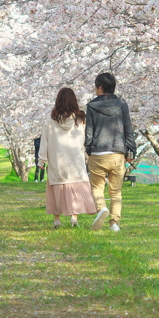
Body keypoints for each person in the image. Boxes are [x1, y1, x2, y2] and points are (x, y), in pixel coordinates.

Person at [40, 88, 104, 229]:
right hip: (76, 160)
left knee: (56, 189)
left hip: (57, 161)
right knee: (75, 189)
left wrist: (41, 160)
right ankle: (74, 217)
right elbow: (88, 139)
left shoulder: (50, 120)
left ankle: (57, 220)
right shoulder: (81, 119)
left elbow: (44, 140)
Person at [85, 72, 135, 232]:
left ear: (100, 87)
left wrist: (88, 148)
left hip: (98, 153)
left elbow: (89, 132)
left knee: (97, 187)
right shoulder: (122, 105)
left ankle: (101, 209)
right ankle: (114, 223)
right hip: (118, 153)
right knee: (116, 191)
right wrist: (131, 150)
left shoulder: (92, 106)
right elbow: (128, 129)